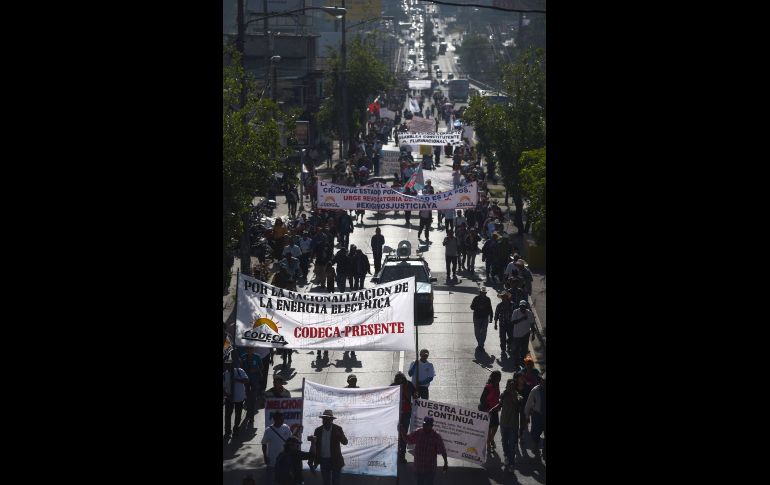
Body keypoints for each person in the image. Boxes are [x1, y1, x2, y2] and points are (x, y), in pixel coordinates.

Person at [403, 416, 448, 485]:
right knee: (419, 482)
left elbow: (442, 451)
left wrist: (445, 463)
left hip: (430, 468)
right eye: (424, 424)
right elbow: (408, 440)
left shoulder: (436, 436)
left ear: (431, 426)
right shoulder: (418, 432)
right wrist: (401, 431)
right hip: (419, 467)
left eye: (427, 424)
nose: (424, 426)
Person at [310, 410, 349, 485]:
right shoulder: (318, 430)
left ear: (331, 420)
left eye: (327, 419)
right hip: (323, 460)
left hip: (335, 460)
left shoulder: (338, 429)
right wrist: (313, 460)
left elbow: (345, 442)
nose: (325, 421)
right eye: (324, 419)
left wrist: (340, 436)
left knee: (336, 482)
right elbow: (315, 446)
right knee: (326, 482)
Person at [261, 411, 293, 485]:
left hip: (284, 461)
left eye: (283, 419)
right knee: (270, 481)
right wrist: (265, 457)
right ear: (275, 419)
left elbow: (291, 441)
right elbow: (264, 444)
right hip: (272, 461)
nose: (282, 421)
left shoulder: (286, 428)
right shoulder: (268, 430)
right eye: (280, 419)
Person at [391, 371, 416, 463]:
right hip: (396, 413)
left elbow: (415, 395)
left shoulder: (409, 385)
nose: (399, 383)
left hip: (406, 413)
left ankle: (402, 455)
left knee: (403, 434)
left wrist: (416, 395)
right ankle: (396, 453)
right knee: (396, 434)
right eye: (397, 381)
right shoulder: (393, 386)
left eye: (400, 381)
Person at [499, 378, 523, 471]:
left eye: (512, 385)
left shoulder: (519, 396)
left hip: (513, 425)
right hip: (504, 423)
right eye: (509, 385)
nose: (510, 387)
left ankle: (512, 464)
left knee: (512, 445)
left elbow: (517, 406)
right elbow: (499, 404)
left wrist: (513, 394)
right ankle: (506, 456)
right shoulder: (503, 395)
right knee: (504, 442)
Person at [223, 356, 249, 438]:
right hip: (229, 398)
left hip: (239, 397)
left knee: (238, 414)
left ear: (232, 365)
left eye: (229, 364)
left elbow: (246, 380)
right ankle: (227, 431)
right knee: (227, 415)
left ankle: (236, 429)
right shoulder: (224, 375)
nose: (227, 366)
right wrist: (227, 395)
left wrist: (236, 380)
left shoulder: (239, 371)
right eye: (225, 365)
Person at [479, 370, 502, 454]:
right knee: (489, 428)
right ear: (493, 378)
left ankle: (490, 439)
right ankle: (488, 443)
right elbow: (482, 399)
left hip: (495, 409)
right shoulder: (488, 387)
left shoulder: (497, 385)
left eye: (499, 377)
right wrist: (488, 407)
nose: (499, 379)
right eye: (497, 377)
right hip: (488, 410)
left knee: (495, 426)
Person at [239, 347, 263, 428]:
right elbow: (240, 368)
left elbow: (261, 367)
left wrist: (256, 370)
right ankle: (249, 411)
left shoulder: (257, 357)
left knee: (252, 399)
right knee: (247, 398)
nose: (249, 350)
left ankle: (251, 416)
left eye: (251, 349)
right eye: (248, 349)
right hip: (246, 381)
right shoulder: (243, 357)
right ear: (246, 350)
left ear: (253, 350)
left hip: (254, 381)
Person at [524, 373, 546, 459]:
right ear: (541, 380)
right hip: (537, 415)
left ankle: (544, 451)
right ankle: (536, 445)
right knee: (535, 433)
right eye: (543, 381)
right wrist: (526, 416)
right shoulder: (535, 390)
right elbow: (529, 403)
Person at [511, 300, 535, 367]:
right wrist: (522, 318)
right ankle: (516, 362)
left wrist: (533, 334)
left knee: (524, 350)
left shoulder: (529, 313)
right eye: (521, 306)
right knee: (516, 349)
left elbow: (532, 324)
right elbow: (513, 322)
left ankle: (522, 362)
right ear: (519, 306)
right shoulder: (515, 312)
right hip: (517, 334)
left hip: (526, 334)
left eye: (524, 306)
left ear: (526, 307)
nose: (522, 308)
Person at [494, 291, 514, 358]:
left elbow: (514, 314)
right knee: (502, 337)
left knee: (511, 337)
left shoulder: (511, 305)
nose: (503, 298)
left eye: (504, 297)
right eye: (502, 297)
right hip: (502, 324)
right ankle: (503, 349)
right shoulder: (499, 305)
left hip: (510, 324)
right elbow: (496, 314)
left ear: (507, 297)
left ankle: (508, 345)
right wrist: (495, 324)